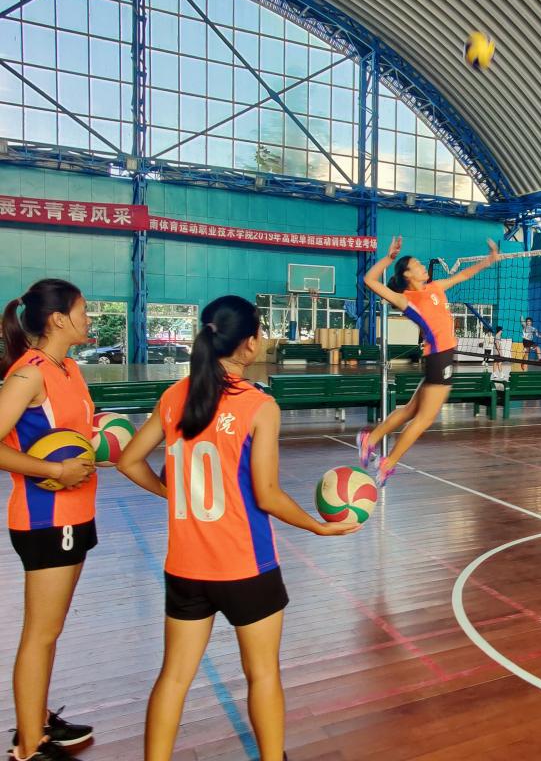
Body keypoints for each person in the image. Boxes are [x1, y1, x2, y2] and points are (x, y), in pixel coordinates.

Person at [116, 295, 360, 761]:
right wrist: (316, 528)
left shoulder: (174, 397)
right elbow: (267, 495)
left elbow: (128, 461)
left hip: (185, 567)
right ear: (249, 344)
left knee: (173, 677)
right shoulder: (258, 405)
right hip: (246, 566)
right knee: (262, 674)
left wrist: (173, 493)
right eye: (260, 332)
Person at [0, 280, 97, 761]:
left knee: (49, 630)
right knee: (39, 633)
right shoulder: (28, 375)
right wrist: (55, 471)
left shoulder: (68, 368)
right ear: (58, 319)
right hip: (46, 520)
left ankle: (36, 719)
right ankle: (26, 747)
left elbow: (75, 434)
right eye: (83, 310)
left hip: (76, 514)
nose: (88, 318)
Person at [358, 237, 501, 487]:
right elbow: (369, 280)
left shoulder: (435, 287)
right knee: (424, 419)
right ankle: (388, 463)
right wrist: (389, 258)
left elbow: (463, 275)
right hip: (439, 357)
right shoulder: (406, 299)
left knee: (410, 411)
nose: (423, 267)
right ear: (407, 274)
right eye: (417, 265)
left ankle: (369, 439)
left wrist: (488, 260)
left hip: (438, 357)